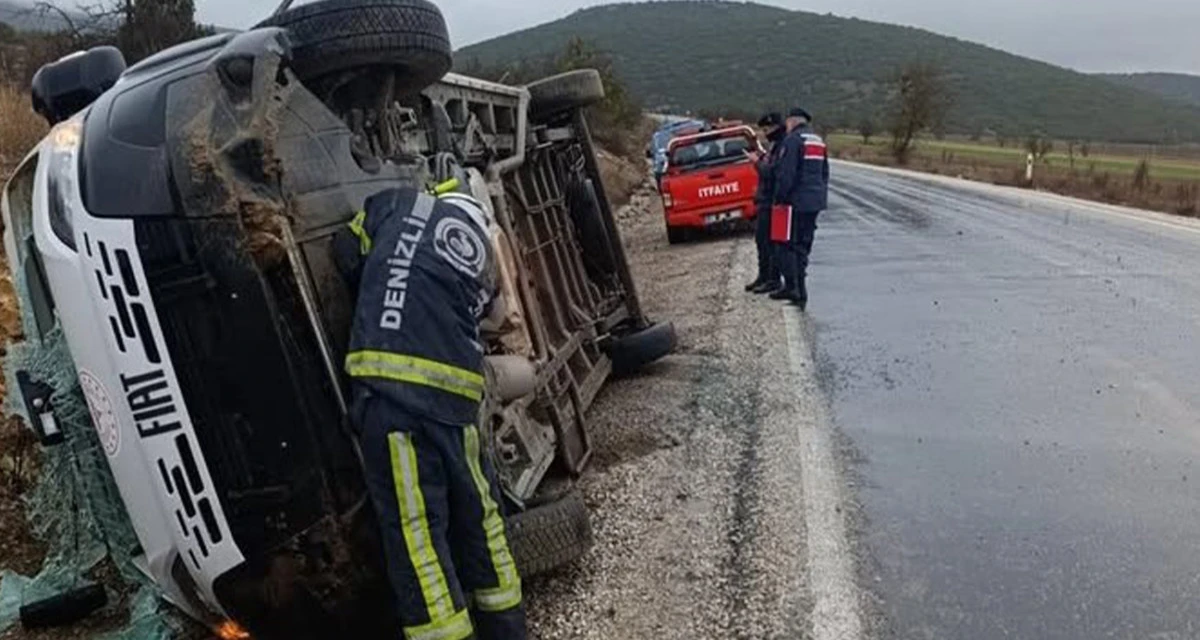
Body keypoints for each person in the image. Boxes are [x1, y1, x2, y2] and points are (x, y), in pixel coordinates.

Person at [334, 185, 525, 640]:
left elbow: (345, 249)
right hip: (457, 403)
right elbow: (488, 320)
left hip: (393, 396)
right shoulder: (481, 260)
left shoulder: (401, 203)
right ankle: (507, 629)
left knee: (417, 534)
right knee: (481, 517)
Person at [770, 107, 830, 310]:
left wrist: (780, 198)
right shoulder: (818, 141)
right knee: (804, 245)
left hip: (795, 202)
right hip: (815, 202)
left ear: (792, 122)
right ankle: (801, 290)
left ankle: (793, 288)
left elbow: (787, 174)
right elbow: (824, 173)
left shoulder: (793, 141)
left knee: (787, 245)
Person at [745, 112, 787, 294]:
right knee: (762, 241)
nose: (765, 133)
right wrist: (761, 157)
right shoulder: (775, 146)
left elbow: (771, 173)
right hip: (765, 199)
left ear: (776, 127)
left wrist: (757, 163)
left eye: (767, 129)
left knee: (770, 243)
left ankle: (773, 279)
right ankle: (764, 276)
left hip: (772, 200)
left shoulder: (782, 146)